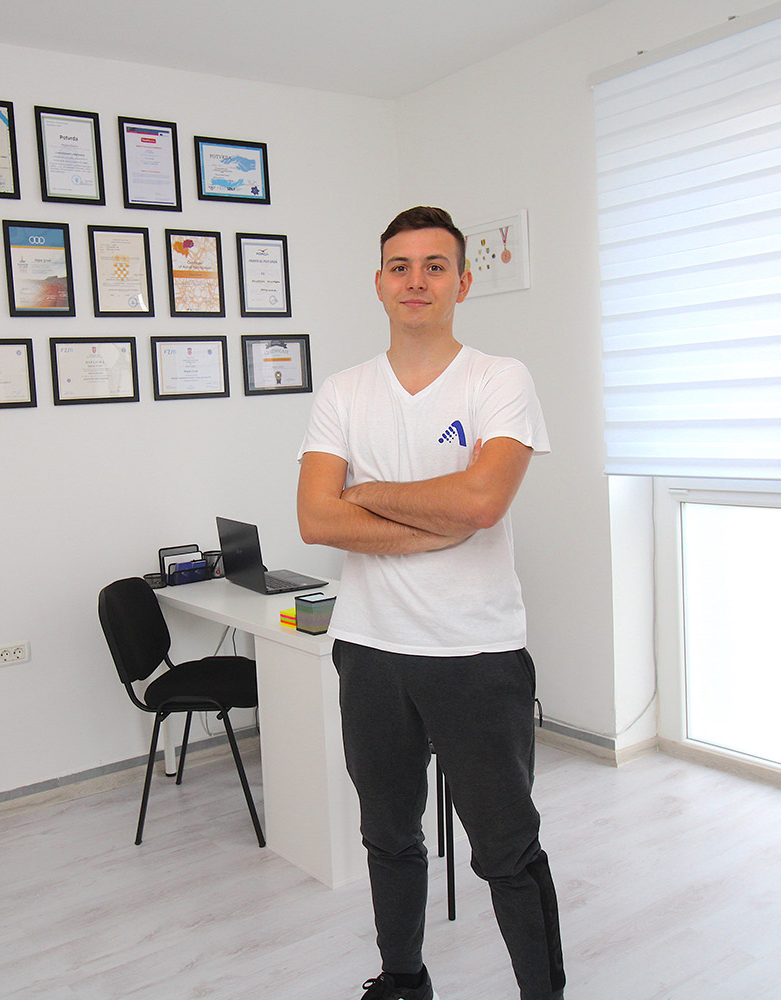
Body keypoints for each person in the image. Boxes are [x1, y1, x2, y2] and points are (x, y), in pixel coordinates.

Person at [296, 207, 565, 1000]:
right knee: (388, 835)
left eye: (435, 266)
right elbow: (316, 520)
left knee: (506, 850)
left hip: (475, 652)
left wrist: (367, 494)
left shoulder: (498, 379)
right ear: (379, 283)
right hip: (371, 650)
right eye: (401, 266)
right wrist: (432, 522)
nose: (416, 281)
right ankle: (404, 980)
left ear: (463, 283)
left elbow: (483, 502)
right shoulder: (344, 391)